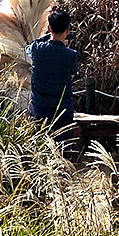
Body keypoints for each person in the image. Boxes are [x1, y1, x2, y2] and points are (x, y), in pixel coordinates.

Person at [26, 9, 79, 142]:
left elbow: (29, 47)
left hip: (39, 109)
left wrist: (47, 37)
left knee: (39, 149)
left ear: (49, 28)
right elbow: (72, 71)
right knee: (63, 150)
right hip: (62, 110)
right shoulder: (71, 55)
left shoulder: (37, 50)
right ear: (67, 30)